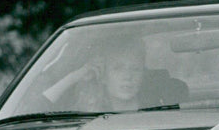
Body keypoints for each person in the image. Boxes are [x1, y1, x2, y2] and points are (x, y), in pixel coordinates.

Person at [43, 43, 188, 111]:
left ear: (143, 75)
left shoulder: (158, 108)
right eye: (118, 68)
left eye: (135, 69)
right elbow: (38, 108)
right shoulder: (87, 113)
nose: (128, 76)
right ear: (103, 76)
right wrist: (75, 76)